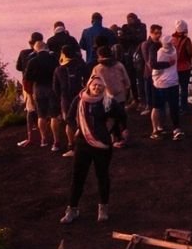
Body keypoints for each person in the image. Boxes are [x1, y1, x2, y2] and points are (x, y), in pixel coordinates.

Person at [59, 76, 114, 225]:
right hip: (83, 144)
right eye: (95, 85)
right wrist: (79, 128)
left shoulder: (108, 101)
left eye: (100, 86)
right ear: (89, 86)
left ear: (104, 87)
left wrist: (110, 131)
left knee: (102, 176)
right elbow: (69, 118)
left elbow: (120, 116)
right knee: (78, 177)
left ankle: (103, 208)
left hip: (102, 145)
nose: (97, 88)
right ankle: (72, 209)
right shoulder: (79, 100)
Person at [52, 43, 90, 157]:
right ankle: (87, 143)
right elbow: (88, 80)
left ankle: (71, 146)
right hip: (80, 95)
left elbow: (55, 88)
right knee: (83, 119)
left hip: (66, 98)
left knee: (69, 122)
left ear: (63, 54)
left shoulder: (59, 69)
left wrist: (61, 98)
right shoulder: (81, 65)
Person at [92, 43, 132, 148]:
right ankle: (125, 136)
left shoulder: (98, 68)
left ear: (99, 55)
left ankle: (116, 139)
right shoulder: (119, 65)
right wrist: (127, 94)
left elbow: (93, 84)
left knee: (111, 117)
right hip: (121, 96)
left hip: (107, 97)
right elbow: (127, 82)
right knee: (122, 117)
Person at [23, 39, 58, 149]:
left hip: (38, 88)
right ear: (46, 48)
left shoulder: (33, 61)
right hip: (52, 88)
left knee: (41, 115)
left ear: (36, 49)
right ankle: (56, 141)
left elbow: (27, 78)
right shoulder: (53, 59)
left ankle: (43, 139)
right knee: (54, 115)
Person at [152, 33, 183, 140]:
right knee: (173, 107)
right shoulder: (174, 51)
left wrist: (155, 79)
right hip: (173, 82)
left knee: (157, 107)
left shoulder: (159, 53)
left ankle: (156, 129)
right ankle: (176, 129)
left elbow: (156, 69)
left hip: (161, 84)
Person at [15, 31, 43, 147]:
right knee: (41, 108)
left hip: (28, 85)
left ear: (30, 43)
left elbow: (18, 67)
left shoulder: (24, 53)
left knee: (30, 109)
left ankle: (31, 136)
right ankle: (43, 135)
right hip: (41, 84)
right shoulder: (44, 54)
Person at [170, 20, 192, 123]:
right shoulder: (186, 40)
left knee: (175, 88)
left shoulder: (172, 40)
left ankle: (176, 106)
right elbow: (190, 53)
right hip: (185, 67)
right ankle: (184, 108)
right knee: (184, 88)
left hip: (174, 68)